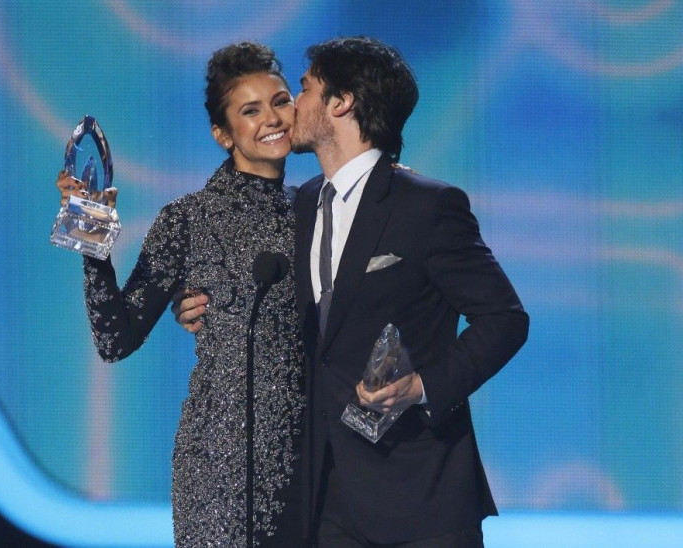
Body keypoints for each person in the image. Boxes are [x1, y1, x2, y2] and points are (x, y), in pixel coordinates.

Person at [177, 36, 529, 547]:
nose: (290, 107)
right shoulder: (301, 206)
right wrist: (193, 303)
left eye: (304, 88)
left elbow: (505, 319)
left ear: (339, 103)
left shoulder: (426, 207)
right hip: (327, 499)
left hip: (419, 496)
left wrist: (422, 386)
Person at [56, 42, 305, 547]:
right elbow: (115, 338)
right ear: (222, 134)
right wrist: (91, 236)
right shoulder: (187, 220)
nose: (273, 118)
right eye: (250, 110)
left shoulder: (319, 208)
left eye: (281, 101)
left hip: (310, 462)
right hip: (218, 472)